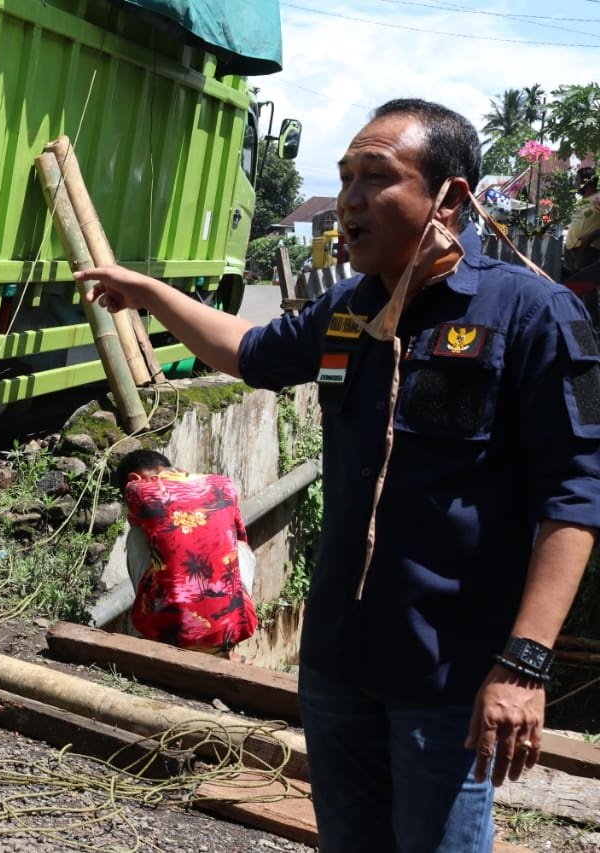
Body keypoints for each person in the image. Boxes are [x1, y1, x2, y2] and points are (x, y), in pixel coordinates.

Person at [75, 99, 600, 851]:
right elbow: (247, 350)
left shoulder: (534, 315)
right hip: (338, 664)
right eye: (345, 177)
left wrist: (524, 662)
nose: (350, 202)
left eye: (375, 178)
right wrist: (151, 293)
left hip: (448, 673)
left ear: (449, 196)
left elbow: (575, 495)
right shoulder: (348, 312)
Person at [116, 449, 256, 660]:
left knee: (137, 535)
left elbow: (141, 521)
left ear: (133, 479)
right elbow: (241, 537)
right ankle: (224, 644)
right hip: (235, 625)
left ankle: (154, 634)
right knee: (239, 547)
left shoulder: (136, 489)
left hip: (169, 631)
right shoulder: (223, 484)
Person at [563, 166, 600, 324]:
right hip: (571, 250)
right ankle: (578, 323)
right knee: (573, 288)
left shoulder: (598, 198)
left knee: (586, 289)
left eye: (577, 180)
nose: (575, 183)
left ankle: (592, 324)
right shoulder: (580, 203)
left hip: (587, 250)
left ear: (586, 182)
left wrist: (590, 236)